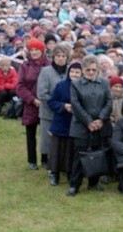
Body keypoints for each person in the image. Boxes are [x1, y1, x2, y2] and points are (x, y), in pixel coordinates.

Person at [67, 54, 112, 196]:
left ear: (98, 69)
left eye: (94, 69)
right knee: (79, 156)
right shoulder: (75, 84)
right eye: (88, 70)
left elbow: (109, 102)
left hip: (100, 125)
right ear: (83, 70)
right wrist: (88, 121)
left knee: (98, 153)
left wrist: (100, 119)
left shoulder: (104, 83)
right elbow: (76, 105)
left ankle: (94, 182)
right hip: (81, 126)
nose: (91, 72)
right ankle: (75, 184)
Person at [16, 38, 50, 170]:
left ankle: (45, 159)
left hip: (46, 104)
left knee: (46, 134)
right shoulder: (25, 66)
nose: (34, 52)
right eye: (32, 50)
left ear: (42, 51)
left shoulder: (49, 65)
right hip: (30, 104)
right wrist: (32, 99)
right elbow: (20, 86)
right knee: (31, 134)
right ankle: (32, 160)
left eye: (37, 50)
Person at [37, 42, 71, 171]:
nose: (61, 58)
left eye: (63, 56)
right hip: (49, 111)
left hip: (66, 112)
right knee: (47, 138)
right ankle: (45, 159)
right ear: (53, 57)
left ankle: (61, 162)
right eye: (58, 55)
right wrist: (56, 104)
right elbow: (42, 93)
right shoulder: (46, 71)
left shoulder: (70, 71)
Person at [46, 61, 81, 186]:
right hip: (61, 122)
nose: (75, 75)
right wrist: (63, 106)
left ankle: (70, 173)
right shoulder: (61, 86)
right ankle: (55, 174)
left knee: (70, 151)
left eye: (77, 72)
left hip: (76, 124)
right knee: (56, 150)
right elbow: (51, 102)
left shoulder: (83, 87)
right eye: (72, 72)